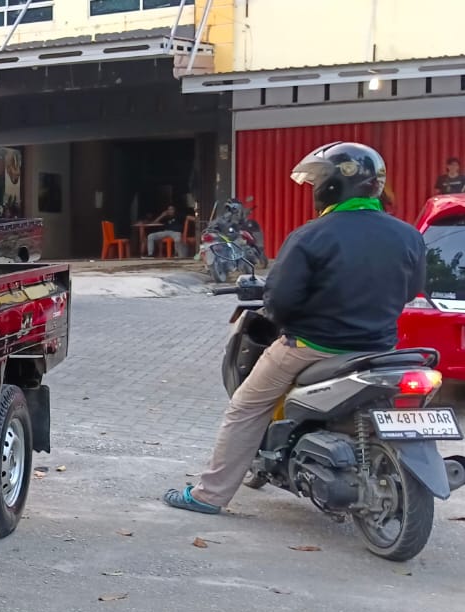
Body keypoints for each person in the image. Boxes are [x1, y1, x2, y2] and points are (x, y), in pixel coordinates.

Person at [164, 142, 427, 514]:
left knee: (245, 407)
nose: (315, 187)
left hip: (313, 346)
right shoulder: (408, 234)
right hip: (379, 349)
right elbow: (411, 289)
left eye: (318, 181)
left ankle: (209, 495)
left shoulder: (311, 235)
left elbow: (280, 301)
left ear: (333, 185)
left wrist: (283, 313)